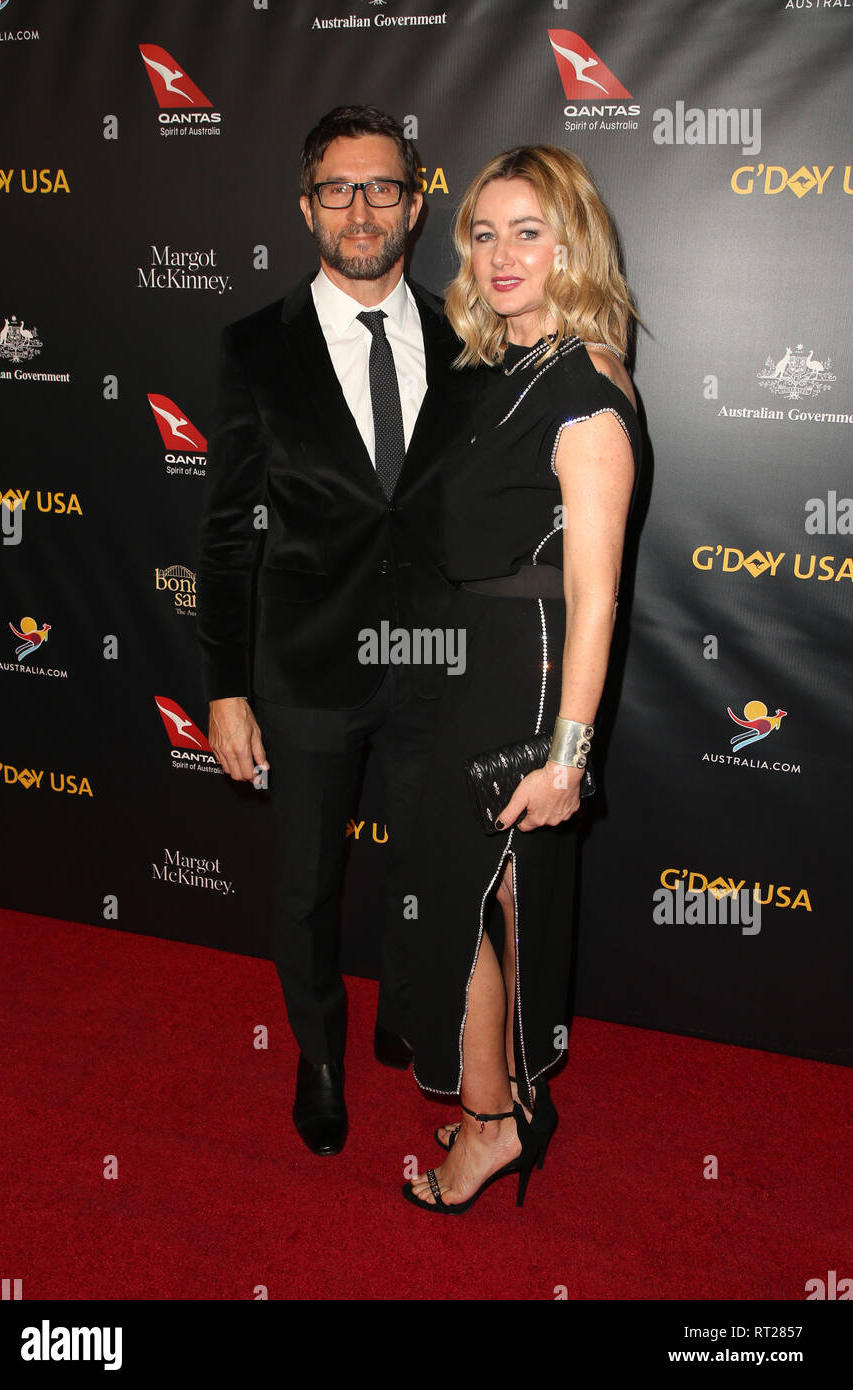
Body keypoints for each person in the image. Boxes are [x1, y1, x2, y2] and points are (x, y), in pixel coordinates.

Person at [196, 105, 469, 1156]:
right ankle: (316, 1055)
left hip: (440, 666)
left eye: (384, 187)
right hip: (307, 668)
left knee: (427, 863)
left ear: (416, 199)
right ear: (305, 205)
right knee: (305, 884)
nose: (362, 210)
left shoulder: (465, 337)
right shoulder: (254, 349)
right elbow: (225, 535)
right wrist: (224, 689)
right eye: (339, 190)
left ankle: (406, 1010)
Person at [402, 145, 642, 1212]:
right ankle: (500, 1098)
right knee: (489, 890)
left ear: (571, 242)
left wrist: (569, 757)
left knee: (447, 903)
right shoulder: (506, 363)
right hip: (470, 656)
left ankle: (491, 1127)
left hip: (529, 671)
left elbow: (597, 595)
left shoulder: (585, 390)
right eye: (485, 233)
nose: (502, 255)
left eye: (528, 232)